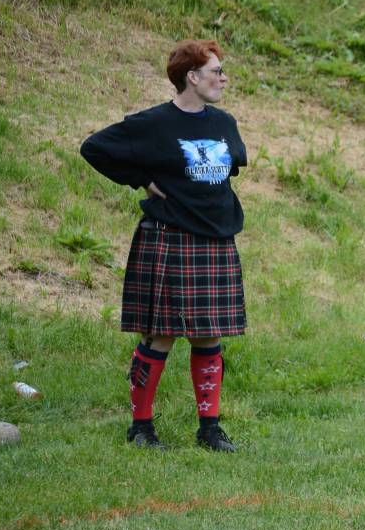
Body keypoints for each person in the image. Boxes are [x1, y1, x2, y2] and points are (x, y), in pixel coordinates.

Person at [80, 40, 247, 452]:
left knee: (210, 335)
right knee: (161, 336)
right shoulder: (153, 124)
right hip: (171, 239)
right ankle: (141, 428)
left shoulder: (224, 123)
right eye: (216, 71)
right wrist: (141, 179)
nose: (223, 78)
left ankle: (209, 429)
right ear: (192, 77)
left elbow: (230, 169)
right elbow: (94, 148)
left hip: (216, 240)